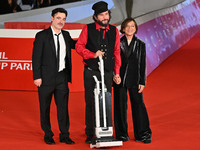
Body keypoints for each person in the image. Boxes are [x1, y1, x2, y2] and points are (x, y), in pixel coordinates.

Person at [75, 1, 121, 144]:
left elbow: (116, 52)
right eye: (101, 15)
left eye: (106, 14)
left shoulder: (114, 30)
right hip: (91, 71)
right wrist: (92, 54)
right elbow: (78, 46)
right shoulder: (87, 29)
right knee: (90, 101)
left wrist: (116, 72)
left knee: (106, 99)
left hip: (107, 72)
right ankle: (90, 133)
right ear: (95, 17)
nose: (104, 17)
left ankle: (106, 130)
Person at [32, 8, 76, 145]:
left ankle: (64, 135)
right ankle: (48, 134)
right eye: (58, 18)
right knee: (45, 108)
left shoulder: (67, 35)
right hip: (45, 79)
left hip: (62, 77)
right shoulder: (42, 36)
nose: (61, 21)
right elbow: (36, 57)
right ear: (52, 18)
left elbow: (78, 46)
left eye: (63, 19)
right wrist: (37, 76)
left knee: (63, 108)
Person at [113, 18, 152, 143]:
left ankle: (143, 134)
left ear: (135, 29)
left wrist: (142, 81)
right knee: (120, 107)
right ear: (123, 29)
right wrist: (115, 75)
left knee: (139, 106)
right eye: (127, 26)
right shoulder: (117, 43)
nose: (130, 28)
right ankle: (121, 134)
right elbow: (113, 61)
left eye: (133, 26)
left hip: (135, 80)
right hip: (120, 80)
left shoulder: (141, 44)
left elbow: (142, 64)